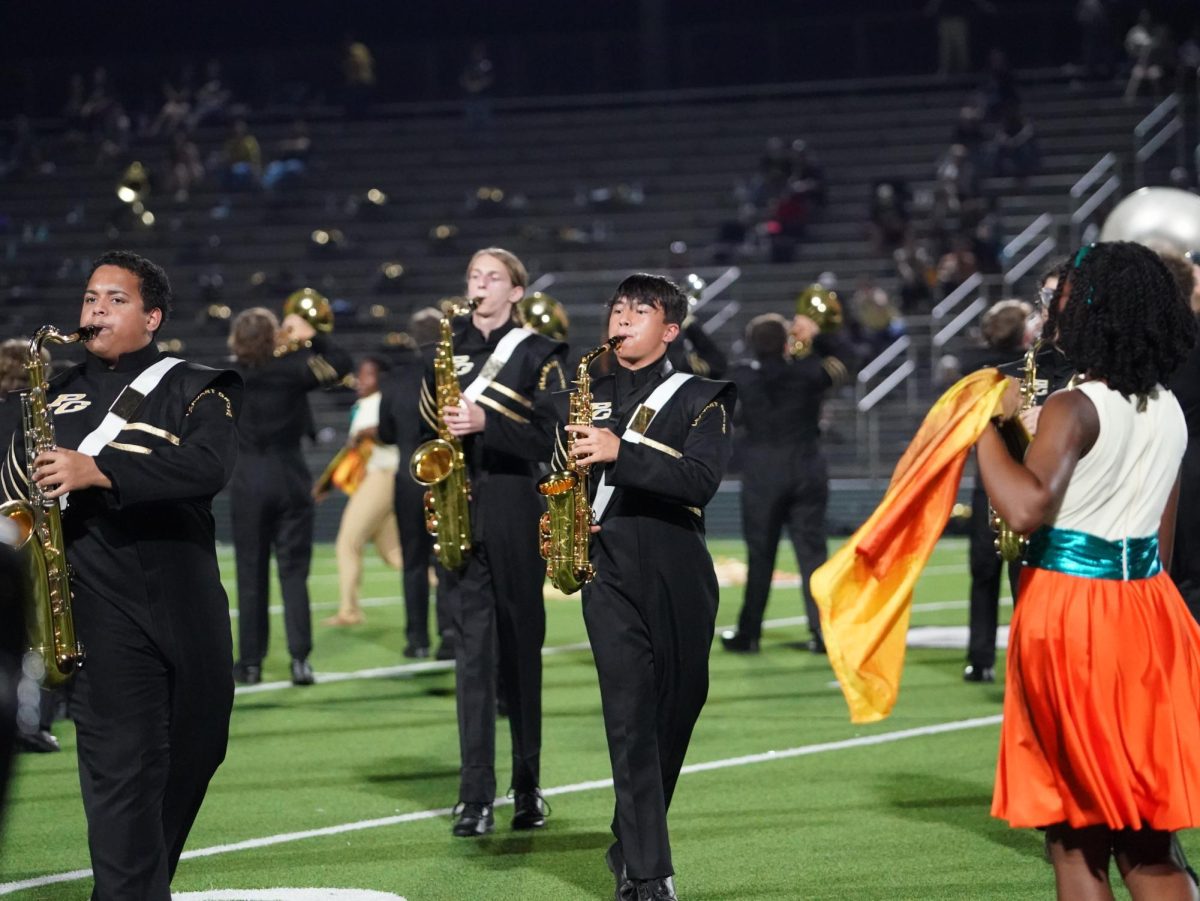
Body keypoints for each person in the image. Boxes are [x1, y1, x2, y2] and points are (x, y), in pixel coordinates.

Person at [0, 250, 242, 897]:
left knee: (199, 746)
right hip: (98, 609)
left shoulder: (198, 384)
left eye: (115, 298)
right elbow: (12, 497)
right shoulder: (50, 395)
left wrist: (101, 470)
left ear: (152, 316)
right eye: (89, 298)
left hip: (186, 601)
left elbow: (207, 470)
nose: (95, 309)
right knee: (122, 771)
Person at [978, 241, 1200, 898]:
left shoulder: (1073, 406)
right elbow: (1163, 533)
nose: (1055, 314)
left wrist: (980, 427)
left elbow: (1025, 507)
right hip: (1151, 611)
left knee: (1075, 838)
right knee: (1147, 839)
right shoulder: (1167, 407)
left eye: (1065, 301)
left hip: (1075, 615)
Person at [553, 273, 735, 901]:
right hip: (607, 567)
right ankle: (649, 872)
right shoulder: (584, 392)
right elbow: (557, 476)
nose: (624, 318)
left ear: (670, 330)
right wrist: (555, 518)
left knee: (674, 712)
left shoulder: (702, 396)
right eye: (618, 308)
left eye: (641, 310)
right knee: (628, 716)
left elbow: (701, 480)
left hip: (676, 562)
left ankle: (628, 839)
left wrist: (618, 452)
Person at [421, 248, 567, 837]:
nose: (479, 285)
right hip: (459, 503)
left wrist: (488, 426)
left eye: (492, 277)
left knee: (520, 650)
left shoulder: (539, 353)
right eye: (473, 275)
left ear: (516, 291)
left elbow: (552, 438)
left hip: (512, 502)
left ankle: (527, 785)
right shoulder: (444, 349)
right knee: (471, 657)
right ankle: (474, 794)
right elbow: (422, 429)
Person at [227, 303, 352, 686]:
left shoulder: (227, 378)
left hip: (247, 481)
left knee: (250, 575)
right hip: (290, 479)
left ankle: (250, 663)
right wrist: (310, 334)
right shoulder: (294, 370)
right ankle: (301, 661)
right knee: (294, 574)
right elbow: (341, 363)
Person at [720, 311, 850, 656]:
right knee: (812, 556)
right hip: (807, 468)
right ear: (785, 342)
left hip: (762, 474)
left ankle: (749, 634)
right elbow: (849, 359)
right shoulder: (808, 371)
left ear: (751, 345)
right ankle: (822, 633)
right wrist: (818, 336)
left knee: (760, 556)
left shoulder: (743, 377)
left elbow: (711, 363)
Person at [958, 298, 1033, 683]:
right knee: (1024, 576)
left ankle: (979, 657)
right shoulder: (1030, 367)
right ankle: (1026, 658)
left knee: (983, 574)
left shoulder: (971, 367)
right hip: (1024, 481)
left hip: (985, 482)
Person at [378, 308, 454, 660]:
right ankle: (450, 635)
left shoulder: (396, 378)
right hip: (446, 477)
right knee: (446, 558)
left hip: (408, 477)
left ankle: (416, 639)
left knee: (413, 561)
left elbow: (385, 432)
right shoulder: (452, 372)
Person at [320, 354, 401, 627]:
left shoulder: (383, 401)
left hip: (383, 476)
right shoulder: (365, 403)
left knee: (348, 543)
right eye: (360, 374)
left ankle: (350, 610)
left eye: (368, 374)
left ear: (382, 378)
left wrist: (369, 432)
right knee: (393, 554)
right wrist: (327, 483)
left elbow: (389, 432)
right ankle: (445, 581)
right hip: (379, 477)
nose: (360, 380)